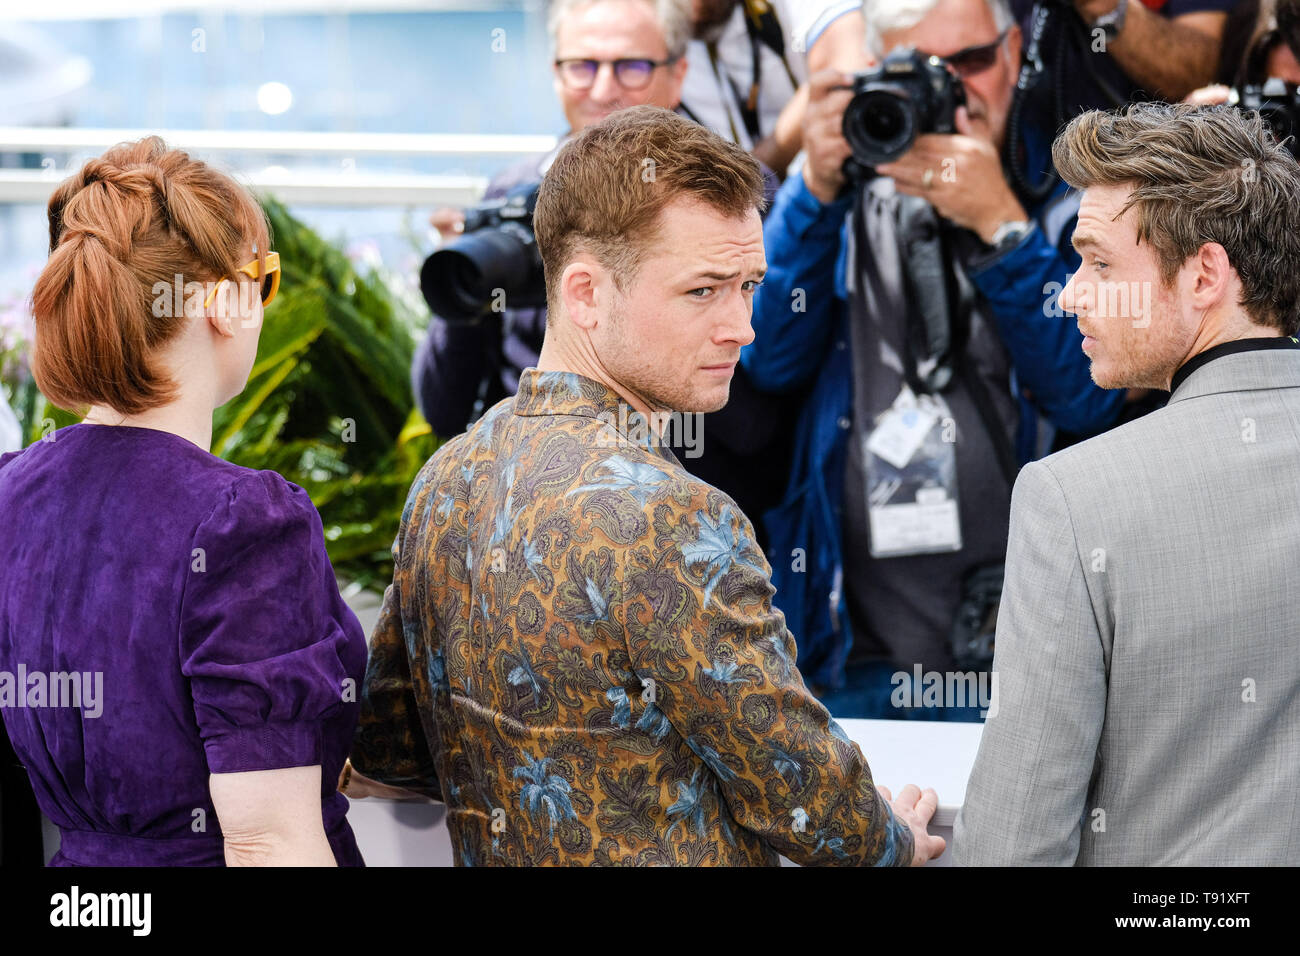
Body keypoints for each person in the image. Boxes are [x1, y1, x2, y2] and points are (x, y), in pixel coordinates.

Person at [347, 106, 944, 867]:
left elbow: (391, 754)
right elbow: (814, 810)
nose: (743, 327)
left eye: (749, 285)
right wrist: (892, 838)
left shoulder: (447, 478)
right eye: (703, 291)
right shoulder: (675, 519)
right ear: (587, 293)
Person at [743, 0, 1129, 720]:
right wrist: (814, 190)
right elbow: (765, 359)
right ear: (874, 73)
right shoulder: (840, 194)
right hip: (852, 649)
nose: (950, 88)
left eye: (972, 63)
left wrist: (1001, 226)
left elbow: (1087, 397)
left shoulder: (1073, 196)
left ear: (1015, 52)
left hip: (1026, 649)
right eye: (921, 69)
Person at [0, 137, 367, 866]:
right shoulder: (246, 524)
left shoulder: (11, 493)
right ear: (226, 304)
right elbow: (269, 842)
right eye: (264, 279)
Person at [956, 101, 1300, 865]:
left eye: (1099, 262)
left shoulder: (1074, 498)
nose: (1071, 293)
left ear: (1207, 274)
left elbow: (1015, 844)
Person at [415, 0, 795, 547]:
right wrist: (465, 287)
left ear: (678, 72)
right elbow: (445, 408)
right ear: (556, 73)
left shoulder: (737, 199)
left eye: (631, 66)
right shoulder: (513, 197)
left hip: (704, 510)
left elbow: (769, 396)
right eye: (583, 65)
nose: (604, 88)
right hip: (532, 509)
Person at [678, 0, 860, 178]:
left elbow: (849, 65)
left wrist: (758, 171)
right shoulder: (660, 21)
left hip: (838, 176)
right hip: (759, 196)